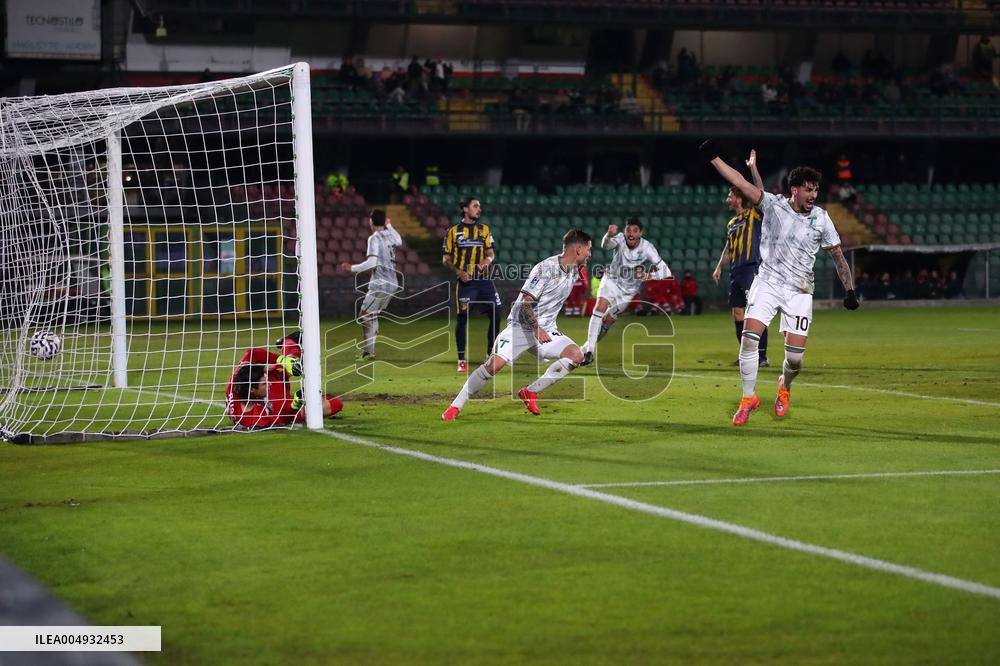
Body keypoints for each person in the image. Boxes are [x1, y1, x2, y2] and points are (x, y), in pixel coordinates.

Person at [699, 139, 859, 426]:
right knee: (749, 339)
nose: (813, 195)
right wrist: (714, 158)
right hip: (768, 282)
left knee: (795, 360)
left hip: (799, 290)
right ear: (794, 190)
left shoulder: (822, 219)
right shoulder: (773, 205)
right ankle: (748, 398)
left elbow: (837, 254)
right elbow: (740, 182)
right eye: (808, 189)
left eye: (816, 189)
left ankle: (784, 385)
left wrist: (849, 289)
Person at [442, 230, 593, 421]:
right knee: (493, 366)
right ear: (578, 249)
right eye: (589, 249)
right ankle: (454, 407)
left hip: (547, 330)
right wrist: (536, 328)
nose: (590, 254)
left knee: (576, 355)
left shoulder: (574, 270)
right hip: (521, 327)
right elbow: (523, 305)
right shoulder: (545, 269)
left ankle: (530, 392)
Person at [581, 218, 671, 365]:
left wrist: (650, 275)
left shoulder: (648, 248)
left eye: (635, 230)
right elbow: (606, 245)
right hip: (611, 280)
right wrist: (609, 235)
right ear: (624, 231)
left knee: (607, 322)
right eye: (628, 229)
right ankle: (590, 352)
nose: (631, 233)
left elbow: (666, 272)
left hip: (628, 291)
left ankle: (584, 348)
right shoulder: (620, 239)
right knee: (599, 308)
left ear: (640, 233)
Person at [712, 149, 769, 367]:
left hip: (752, 268)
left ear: (738, 198)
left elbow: (760, 192)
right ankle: (746, 354)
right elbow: (728, 247)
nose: (727, 199)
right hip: (736, 271)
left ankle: (761, 356)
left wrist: (753, 168)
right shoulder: (732, 223)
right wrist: (719, 267)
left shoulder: (754, 214)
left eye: (729, 195)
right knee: (738, 312)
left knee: (755, 311)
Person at [225, 332, 343, 429]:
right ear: (252, 390)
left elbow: (252, 353)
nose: (269, 383)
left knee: (293, 361)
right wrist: (295, 404)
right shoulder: (258, 419)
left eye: (266, 380)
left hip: (275, 385)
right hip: (280, 405)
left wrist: (282, 361)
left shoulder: (234, 385)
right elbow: (286, 416)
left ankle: (287, 342)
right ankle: (288, 345)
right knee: (334, 404)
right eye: (264, 383)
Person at [442, 197, 501, 373]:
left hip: (484, 281)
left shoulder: (484, 230)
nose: (479, 209)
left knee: (497, 312)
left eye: (479, 206)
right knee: (462, 318)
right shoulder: (452, 232)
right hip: (466, 283)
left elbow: (491, 253)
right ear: (465, 209)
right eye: (475, 206)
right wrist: (458, 272)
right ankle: (461, 360)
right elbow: (446, 259)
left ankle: (491, 354)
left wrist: (487, 260)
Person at [339, 209, 402, 361]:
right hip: (393, 282)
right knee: (370, 315)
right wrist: (390, 226)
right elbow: (399, 240)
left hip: (380, 283)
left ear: (371, 222)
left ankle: (369, 351)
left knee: (365, 316)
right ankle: (370, 346)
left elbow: (372, 262)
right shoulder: (390, 235)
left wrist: (351, 268)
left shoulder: (374, 238)